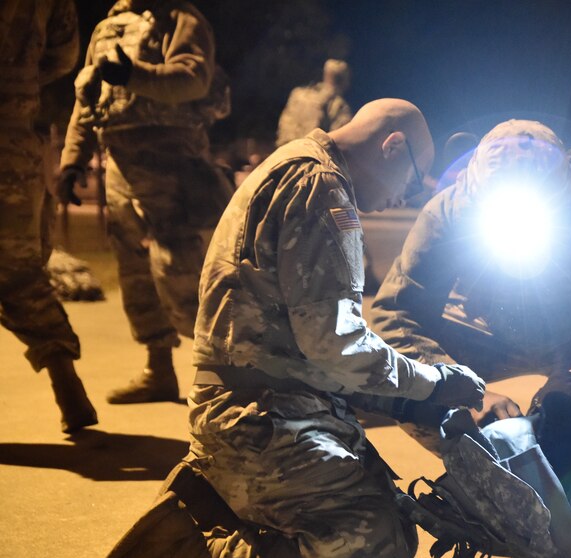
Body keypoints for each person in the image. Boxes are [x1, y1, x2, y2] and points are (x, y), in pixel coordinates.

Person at [83, 99, 487, 558]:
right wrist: (433, 383)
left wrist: (411, 395)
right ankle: (199, 548)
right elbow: (336, 344)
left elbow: (313, 344)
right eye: (408, 185)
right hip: (259, 416)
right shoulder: (322, 189)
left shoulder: (296, 166)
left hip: (269, 403)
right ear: (392, 147)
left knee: (392, 529)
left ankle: (209, 500)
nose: (394, 203)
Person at [367, 119, 571, 493]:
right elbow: (395, 314)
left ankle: (565, 458)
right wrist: (462, 391)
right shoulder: (451, 208)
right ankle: (488, 464)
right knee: (391, 379)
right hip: (486, 332)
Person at [57, 0, 233, 405]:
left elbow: (193, 79)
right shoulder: (109, 27)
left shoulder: (182, 19)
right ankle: (158, 371)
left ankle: (226, 376)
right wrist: (72, 161)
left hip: (173, 163)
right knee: (135, 276)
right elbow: (88, 101)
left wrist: (136, 74)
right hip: (120, 167)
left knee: (183, 273)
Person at [0, 0, 97, 433]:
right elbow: (63, 51)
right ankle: (68, 387)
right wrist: (20, 84)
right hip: (14, 138)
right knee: (21, 272)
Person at [275, 59, 353, 148]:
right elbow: (341, 142)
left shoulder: (298, 93)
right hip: (310, 155)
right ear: (344, 80)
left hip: (284, 152)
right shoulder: (338, 105)